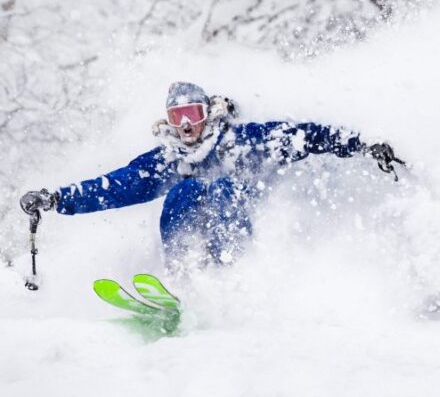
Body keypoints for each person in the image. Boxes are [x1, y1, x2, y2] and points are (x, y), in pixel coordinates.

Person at [18, 82, 404, 267]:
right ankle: (185, 274)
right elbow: (119, 184)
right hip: (193, 241)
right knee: (182, 193)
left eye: (193, 114)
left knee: (222, 186)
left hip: (243, 233)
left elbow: (305, 136)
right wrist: (57, 198)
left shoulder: (244, 141)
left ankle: (229, 271)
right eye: (178, 117)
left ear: (208, 113)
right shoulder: (169, 159)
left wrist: (361, 144)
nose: (187, 125)